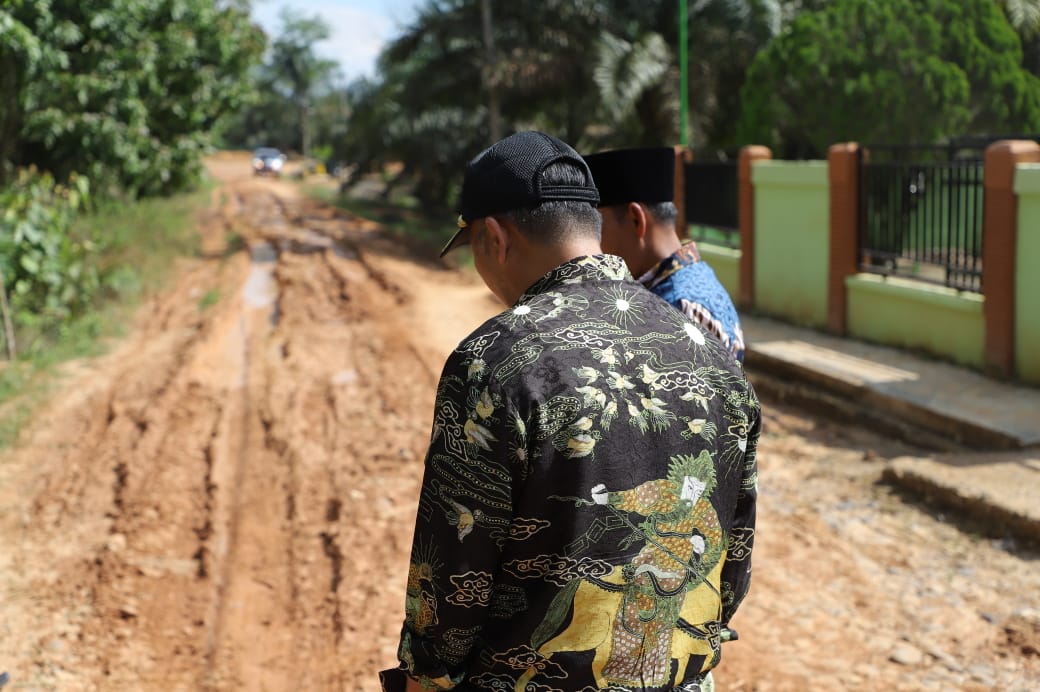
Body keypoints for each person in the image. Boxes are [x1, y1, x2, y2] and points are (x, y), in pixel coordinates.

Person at [380, 131, 760, 692]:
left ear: (493, 237)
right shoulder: (711, 351)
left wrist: (426, 675)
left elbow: (453, 582)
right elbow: (733, 566)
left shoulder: (492, 361)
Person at [583, 147, 746, 363]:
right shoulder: (689, 284)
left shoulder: (679, 306)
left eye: (597, 228)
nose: (593, 244)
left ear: (636, 219)